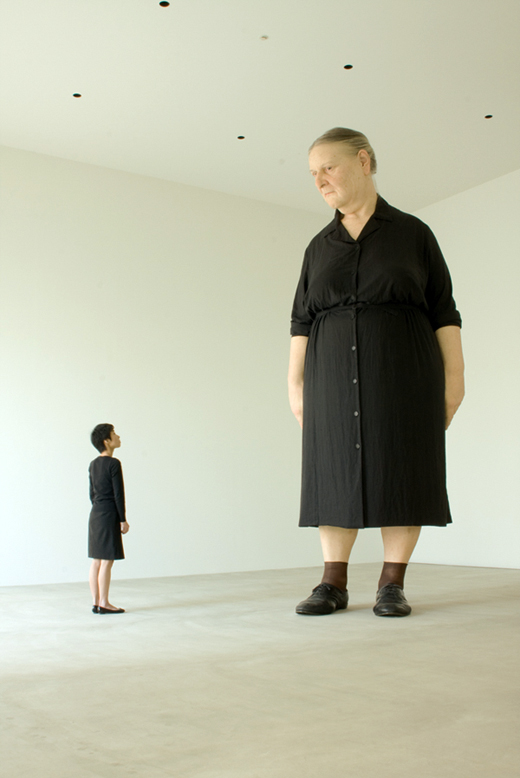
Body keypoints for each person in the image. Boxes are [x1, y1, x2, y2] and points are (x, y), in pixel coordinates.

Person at [289, 128, 464, 617]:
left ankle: (392, 584)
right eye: (313, 173)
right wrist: (295, 385)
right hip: (328, 378)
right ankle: (333, 582)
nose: (320, 180)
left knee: (401, 466)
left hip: (405, 375)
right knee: (332, 470)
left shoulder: (413, 234)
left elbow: (444, 311)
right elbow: (301, 320)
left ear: (363, 161)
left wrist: (455, 380)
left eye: (329, 167)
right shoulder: (318, 246)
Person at [88, 424, 130, 614]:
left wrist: (99, 508)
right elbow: (118, 495)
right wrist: (122, 519)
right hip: (109, 514)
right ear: (106, 441)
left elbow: (92, 494)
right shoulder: (114, 464)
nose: (118, 437)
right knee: (107, 560)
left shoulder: (93, 464)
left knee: (96, 560)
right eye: (114, 434)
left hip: (95, 514)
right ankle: (104, 602)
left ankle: (96, 602)